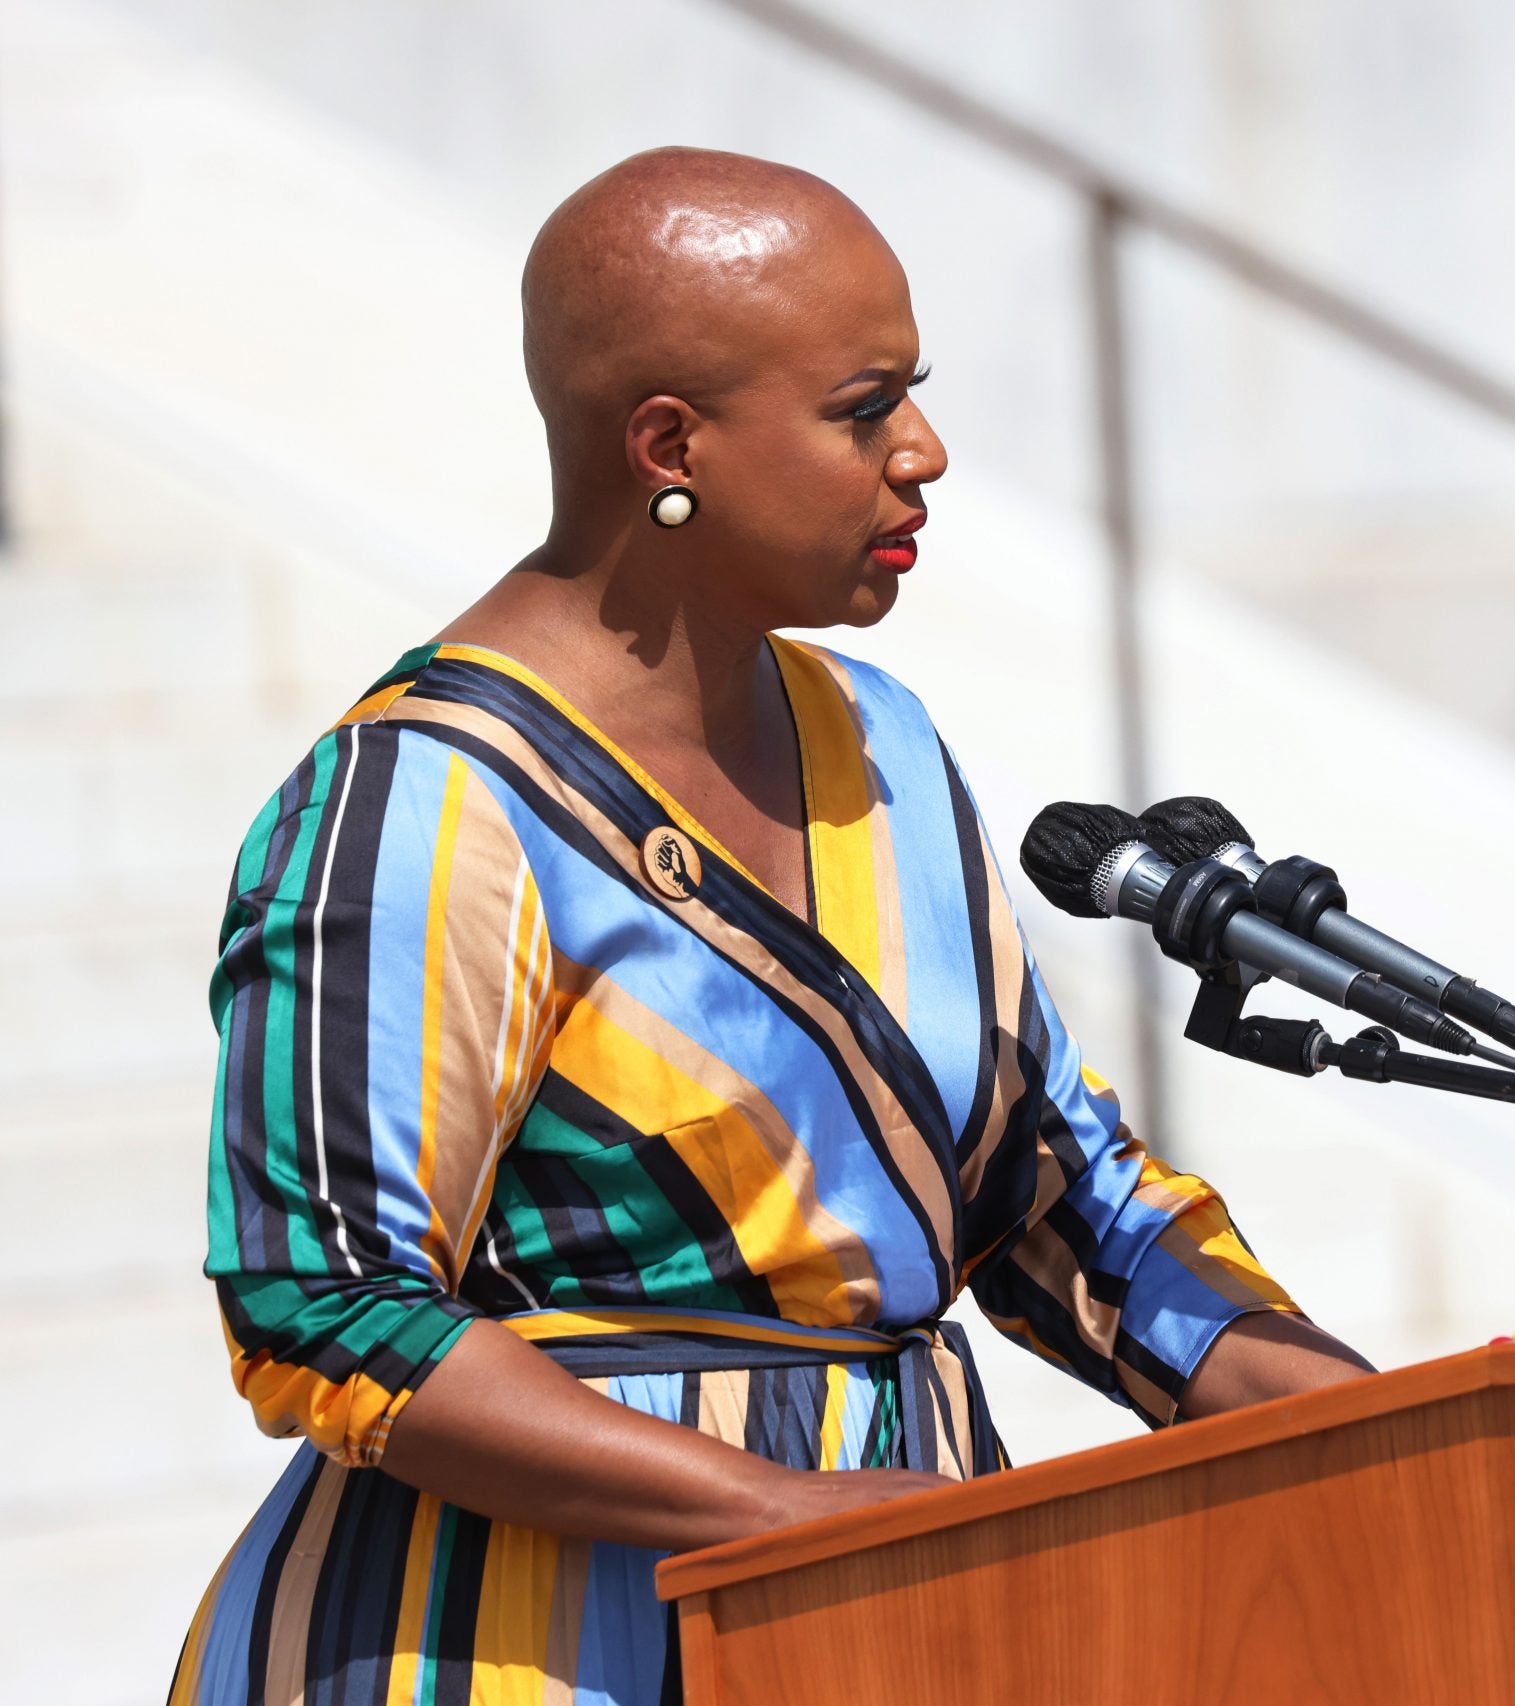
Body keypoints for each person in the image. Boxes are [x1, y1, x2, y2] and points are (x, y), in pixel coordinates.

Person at [168, 147, 1371, 1705]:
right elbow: (319, 1305)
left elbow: (1061, 1207)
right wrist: (789, 1514)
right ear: (670, 440)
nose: (923, 451)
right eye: (863, 409)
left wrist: (1390, 1425)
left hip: (879, 1626)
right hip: (524, 1647)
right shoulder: (415, 805)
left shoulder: (881, 741)